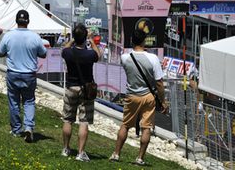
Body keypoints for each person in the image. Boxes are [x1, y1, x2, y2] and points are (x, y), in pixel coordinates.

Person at [110, 28, 168, 165]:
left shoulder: (125, 58)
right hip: (148, 96)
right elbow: (159, 83)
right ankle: (140, 158)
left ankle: (116, 154)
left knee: (125, 125)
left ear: (131, 41)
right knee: (146, 127)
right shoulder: (153, 58)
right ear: (144, 41)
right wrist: (163, 101)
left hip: (131, 95)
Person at [0, 10, 47, 143]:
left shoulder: (8, 36)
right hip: (29, 74)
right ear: (28, 21)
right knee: (29, 101)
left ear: (16, 21)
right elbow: (43, 53)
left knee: (14, 101)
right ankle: (29, 127)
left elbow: (0, 52)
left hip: (13, 73)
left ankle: (16, 129)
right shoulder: (35, 37)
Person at [61, 23, 100, 162]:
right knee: (84, 121)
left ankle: (66, 148)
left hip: (71, 88)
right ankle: (81, 152)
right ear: (84, 38)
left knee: (67, 119)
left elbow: (64, 49)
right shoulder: (89, 54)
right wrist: (91, 40)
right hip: (85, 89)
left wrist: (73, 39)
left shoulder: (68, 53)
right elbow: (98, 55)